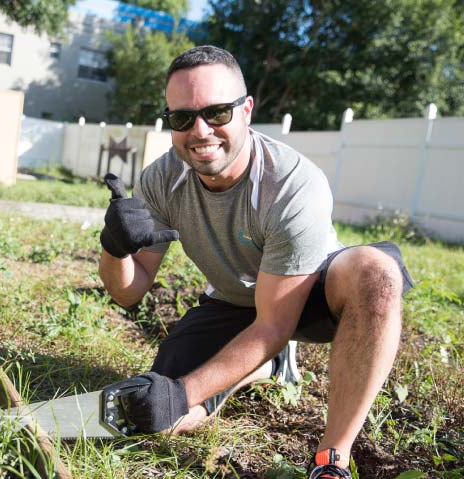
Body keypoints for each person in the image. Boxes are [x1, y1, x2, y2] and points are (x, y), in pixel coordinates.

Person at [98, 45, 414, 477]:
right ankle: (269, 365)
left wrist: (184, 390)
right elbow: (128, 291)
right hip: (234, 299)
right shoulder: (161, 179)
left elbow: (273, 325)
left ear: (246, 110)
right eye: (182, 118)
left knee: (375, 273)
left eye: (217, 113)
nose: (200, 130)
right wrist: (114, 248)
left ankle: (333, 457)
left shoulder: (291, 184)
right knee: (161, 417)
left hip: (310, 292)